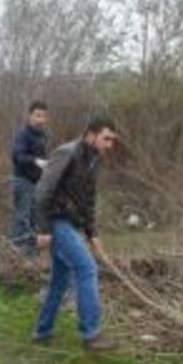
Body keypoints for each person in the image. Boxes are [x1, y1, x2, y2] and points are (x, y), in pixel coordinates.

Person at [32, 115, 118, 351]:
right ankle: (91, 334)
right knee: (87, 268)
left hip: (71, 223)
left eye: (112, 140)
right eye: (106, 138)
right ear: (91, 134)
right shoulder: (66, 153)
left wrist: (93, 234)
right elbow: (43, 191)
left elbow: (88, 200)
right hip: (56, 221)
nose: (109, 145)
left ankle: (42, 331)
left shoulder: (94, 159)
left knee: (59, 280)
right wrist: (43, 229)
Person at [10, 101, 50, 257]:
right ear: (30, 115)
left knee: (34, 217)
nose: (40, 119)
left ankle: (31, 254)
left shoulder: (43, 136)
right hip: (23, 181)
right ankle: (18, 254)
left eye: (44, 116)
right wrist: (35, 160)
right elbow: (18, 157)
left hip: (37, 182)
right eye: (37, 115)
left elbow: (44, 157)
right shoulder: (23, 134)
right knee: (22, 217)